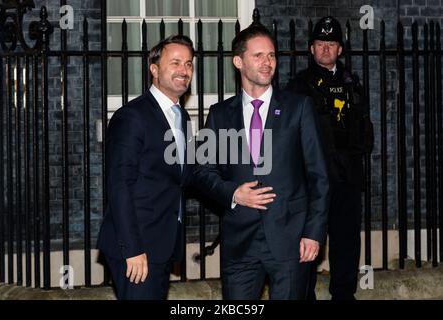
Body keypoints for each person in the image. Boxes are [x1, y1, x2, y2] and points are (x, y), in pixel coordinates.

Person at [193, 24, 329, 300]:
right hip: (240, 243)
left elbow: (319, 176)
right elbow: (202, 171)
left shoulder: (298, 108)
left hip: (291, 241)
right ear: (238, 61)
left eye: (272, 56)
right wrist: (233, 193)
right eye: (258, 56)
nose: (267, 63)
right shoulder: (220, 114)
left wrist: (313, 233)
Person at [97, 35, 195, 300]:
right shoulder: (132, 116)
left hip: (163, 244)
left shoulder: (182, 118)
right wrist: (132, 249)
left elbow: (183, 177)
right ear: (154, 69)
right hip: (136, 245)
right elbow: (119, 186)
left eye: (188, 64)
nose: (184, 70)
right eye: (175, 62)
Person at [286, 16, 374, 300]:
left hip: (347, 176)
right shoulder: (298, 87)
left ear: (340, 49)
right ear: (311, 49)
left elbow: (362, 129)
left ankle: (344, 295)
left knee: (346, 243)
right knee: (309, 241)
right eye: (320, 43)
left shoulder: (352, 83)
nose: (325, 48)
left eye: (331, 43)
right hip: (312, 179)